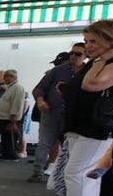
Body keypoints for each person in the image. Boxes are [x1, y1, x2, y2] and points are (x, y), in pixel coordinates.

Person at [44, 20, 113, 196]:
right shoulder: (99, 61)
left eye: (94, 41)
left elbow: (91, 85)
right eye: (87, 41)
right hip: (83, 126)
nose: (88, 46)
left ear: (110, 39)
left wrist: (98, 62)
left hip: (97, 129)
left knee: (76, 173)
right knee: (88, 176)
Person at [28, 46, 84, 182]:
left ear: (85, 55)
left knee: (68, 145)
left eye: (78, 54)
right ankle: (38, 171)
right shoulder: (57, 71)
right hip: (51, 111)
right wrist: (40, 101)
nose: (73, 56)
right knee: (45, 142)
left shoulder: (88, 72)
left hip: (72, 115)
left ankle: (60, 173)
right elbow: (39, 88)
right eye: (71, 53)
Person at [0, 70, 25, 160]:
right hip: (3, 117)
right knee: (5, 137)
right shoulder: (10, 87)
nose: (3, 79)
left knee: (10, 137)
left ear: (11, 77)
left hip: (10, 118)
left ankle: (11, 154)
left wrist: (13, 120)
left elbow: (16, 103)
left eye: (5, 77)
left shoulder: (17, 87)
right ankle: (5, 153)